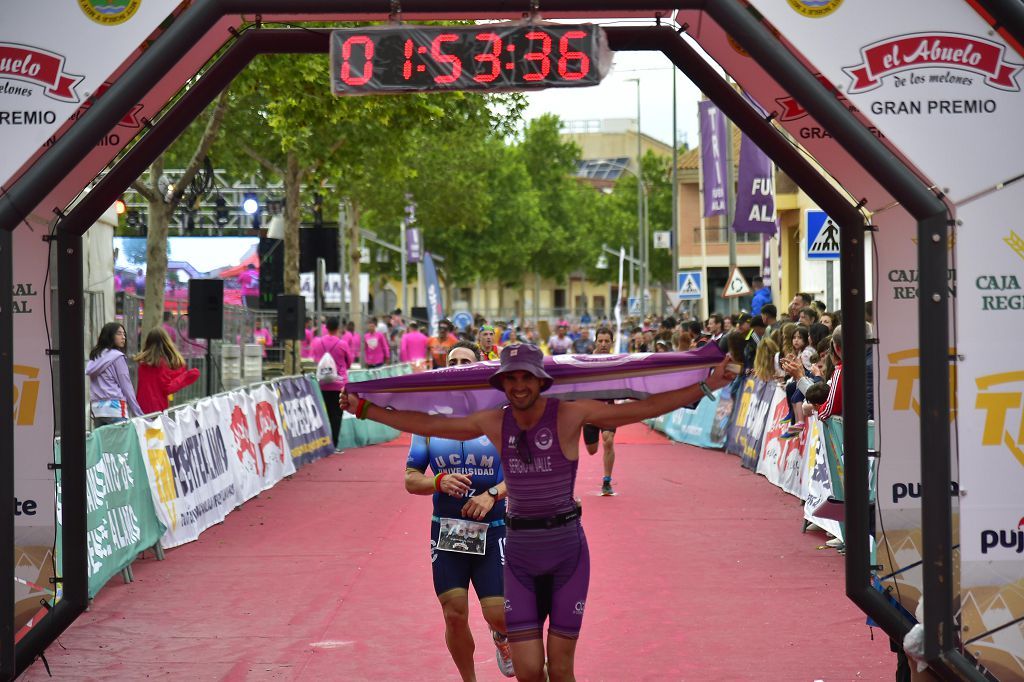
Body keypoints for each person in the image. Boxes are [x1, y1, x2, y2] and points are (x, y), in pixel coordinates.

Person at [341, 344, 736, 681]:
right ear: (499, 384)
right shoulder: (493, 422)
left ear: (542, 380)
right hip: (520, 555)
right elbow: (425, 423)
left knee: (561, 671)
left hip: (566, 552)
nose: (518, 386)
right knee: (529, 672)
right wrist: (365, 410)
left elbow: (643, 408)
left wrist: (706, 385)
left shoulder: (571, 413)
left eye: (526, 378)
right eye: (510, 379)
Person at [405, 342, 515, 680]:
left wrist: (491, 495)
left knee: (498, 614)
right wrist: (437, 481)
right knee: (454, 613)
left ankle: (502, 636)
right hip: (448, 530)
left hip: (493, 527)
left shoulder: (501, 414)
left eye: (465, 360)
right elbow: (411, 479)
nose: (458, 366)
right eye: (452, 361)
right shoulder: (428, 419)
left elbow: (521, 470)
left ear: (480, 365)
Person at [86, 322, 143, 428]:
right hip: (115, 408)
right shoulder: (117, 357)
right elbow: (126, 386)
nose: (123, 337)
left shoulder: (95, 357)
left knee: (104, 443)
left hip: (97, 409)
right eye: (119, 334)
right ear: (109, 335)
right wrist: (138, 413)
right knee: (121, 443)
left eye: (124, 334)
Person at [584, 327, 619, 496]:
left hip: (608, 409)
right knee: (592, 450)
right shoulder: (586, 361)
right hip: (590, 411)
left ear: (612, 342)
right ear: (595, 342)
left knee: (608, 440)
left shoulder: (618, 361)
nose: (604, 344)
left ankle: (607, 481)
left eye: (607, 341)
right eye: (600, 341)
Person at [133, 326, 200, 414]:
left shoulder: (143, 363)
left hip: (141, 408)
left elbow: (159, 381)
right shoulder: (161, 363)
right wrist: (187, 376)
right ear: (166, 342)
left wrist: (182, 372)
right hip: (157, 410)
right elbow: (167, 387)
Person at [311, 317, 353, 444]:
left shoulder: (317, 343)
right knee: (337, 413)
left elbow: (315, 359)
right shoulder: (342, 344)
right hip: (339, 383)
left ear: (326, 327)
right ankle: (334, 442)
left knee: (327, 412)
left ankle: (326, 441)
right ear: (338, 328)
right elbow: (349, 362)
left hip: (323, 382)